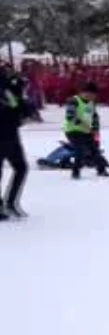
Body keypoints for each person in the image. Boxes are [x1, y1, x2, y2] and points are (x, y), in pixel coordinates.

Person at [0, 64, 36, 219]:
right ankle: (7, 204)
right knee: (19, 167)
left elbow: (18, 107)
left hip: (10, 132)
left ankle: (10, 203)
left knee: (21, 167)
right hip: (5, 132)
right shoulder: (6, 87)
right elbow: (17, 107)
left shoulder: (9, 86)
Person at [64, 82, 109, 179]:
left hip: (86, 131)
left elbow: (94, 117)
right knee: (80, 150)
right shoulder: (73, 101)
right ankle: (75, 173)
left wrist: (95, 128)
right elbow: (70, 116)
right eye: (93, 95)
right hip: (73, 131)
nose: (94, 98)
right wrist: (82, 124)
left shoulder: (91, 103)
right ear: (86, 93)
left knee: (94, 151)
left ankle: (101, 170)